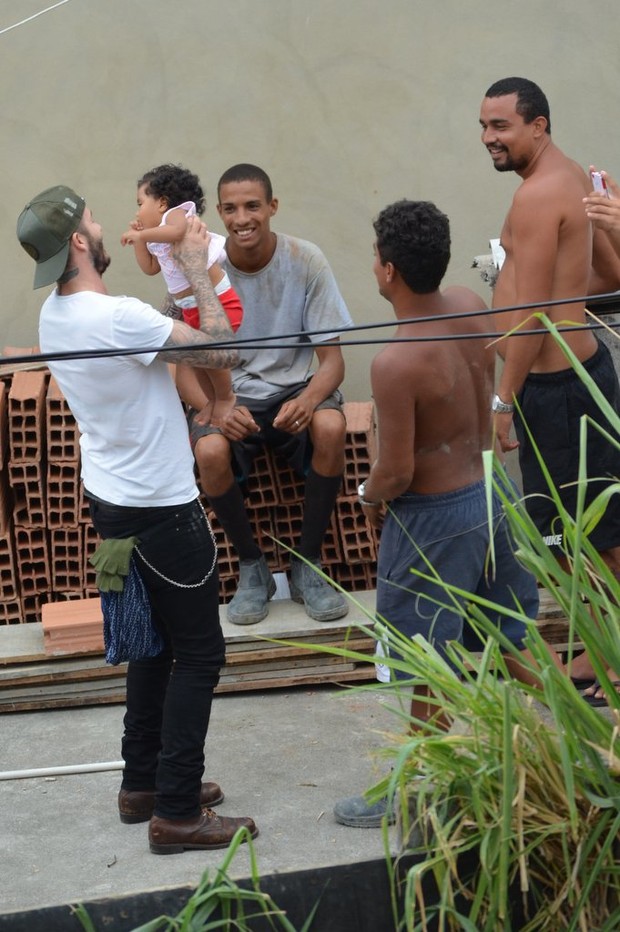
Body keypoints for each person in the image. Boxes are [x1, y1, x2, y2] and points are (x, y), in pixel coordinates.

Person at [16, 184, 258, 854]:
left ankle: (142, 784)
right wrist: (193, 259)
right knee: (201, 654)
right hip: (160, 509)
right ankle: (177, 811)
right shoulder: (116, 317)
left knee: (153, 647)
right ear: (77, 243)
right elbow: (225, 348)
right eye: (94, 220)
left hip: (113, 503)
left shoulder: (55, 315)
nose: (106, 226)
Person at [333, 200, 560, 828]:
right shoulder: (465, 300)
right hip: (492, 494)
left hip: (435, 518)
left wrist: (366, 495)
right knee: (510, 631)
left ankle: (413, 783)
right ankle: (590, 727)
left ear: (386, 271)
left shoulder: (395, 362)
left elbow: (398, 472)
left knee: (428, 658)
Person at [479, 77, 620, 704]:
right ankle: (599, 645)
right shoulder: (565, 182)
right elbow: (607, 276)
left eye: (501, 126)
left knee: (591, 534)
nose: (489, 139)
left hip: (559, 388)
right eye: (483, 127)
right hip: (565, 383)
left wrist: (502, 401)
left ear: (539, 126)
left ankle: (612, 656)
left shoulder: (539, 195)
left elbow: (532, 312)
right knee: (569, 531)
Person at [179, 163, 354, 625]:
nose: (243, 218)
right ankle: (252, 566)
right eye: (231, 209)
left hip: (294, 391)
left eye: (253, 206)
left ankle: (307, 564)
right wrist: (213, 408)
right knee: (211, 450)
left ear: (272, 207)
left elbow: (333, 363)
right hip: (230, 396)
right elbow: (182, 371)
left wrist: (310, 399)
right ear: (218, 213)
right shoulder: (198, 267)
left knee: (332, 426)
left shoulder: (305, 259)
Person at [121, 163, 243, 427]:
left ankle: (225, 397)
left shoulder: (177, 217)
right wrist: (140, 240)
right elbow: (150, 268)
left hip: (218, 302)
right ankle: (211, 401)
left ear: (162, 203)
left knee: (213, 352)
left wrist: (142, 233)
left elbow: (176, 233)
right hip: (191, 307)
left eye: (141, 203)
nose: (137, 211)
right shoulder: (157, 236)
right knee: (198, 358)